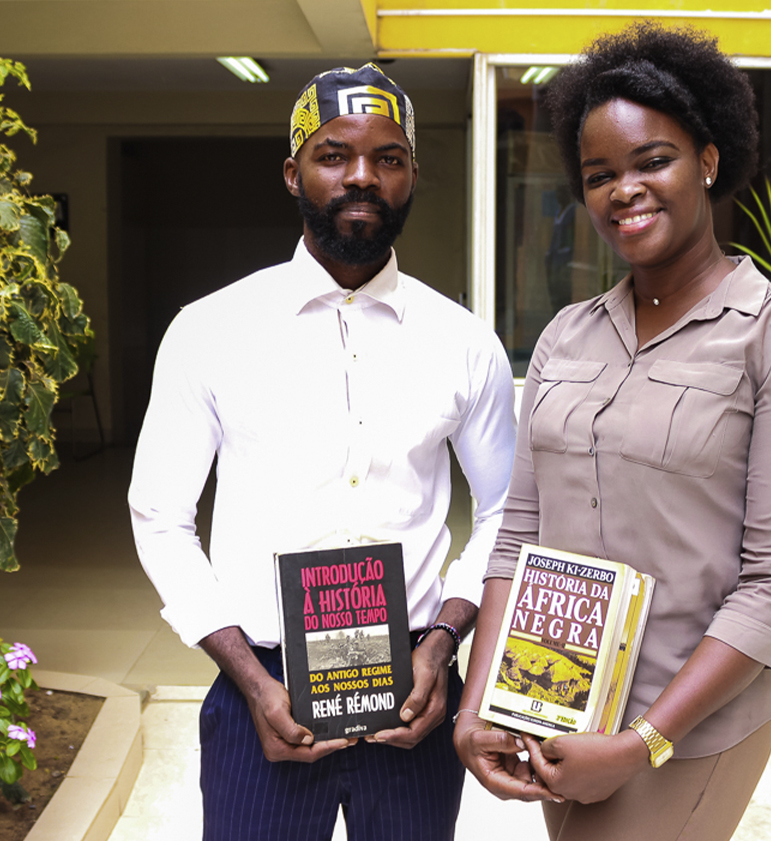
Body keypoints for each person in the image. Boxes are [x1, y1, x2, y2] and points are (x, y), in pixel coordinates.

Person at [454, 23, 771, 841]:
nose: (623, 190)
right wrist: (477, 702)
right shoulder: (565, 336)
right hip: (560, 710)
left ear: (707, 159)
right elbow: (519, 531)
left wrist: (642, 744)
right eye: (600, 175)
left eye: (652, 161)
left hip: (686, 732)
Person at [129, 63, 516, 841]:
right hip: (260, 685)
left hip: (414, 686)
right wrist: (250, 678)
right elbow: (160, 516)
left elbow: (509, 509)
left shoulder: (464, 343)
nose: (362, 176)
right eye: (334, 155)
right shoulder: (211, 330)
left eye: (389, 158)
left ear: (413, 175)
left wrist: (444, 641)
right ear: (292, 172)